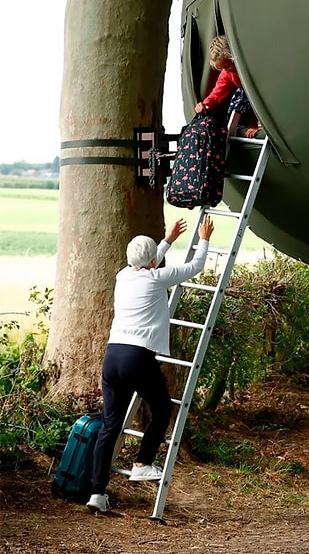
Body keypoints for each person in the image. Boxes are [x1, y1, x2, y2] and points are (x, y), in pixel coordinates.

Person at [86, 215, 214, 513]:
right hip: (138, 357)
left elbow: (149, 260)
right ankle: (143, 462)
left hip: (113, 355)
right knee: (162, 408)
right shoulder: (156, 278)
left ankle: (96, 493)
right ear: (153, 262)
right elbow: (195, 267)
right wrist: (204, 239)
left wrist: (168, 240)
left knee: (110, 426)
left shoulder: (122, 275)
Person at [194, 35, 262, 138]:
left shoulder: (251, 63)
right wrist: (204, 104)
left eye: (227, 65)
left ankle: (260, 127)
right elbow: (217, 94)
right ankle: (246, 128)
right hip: (248, 100)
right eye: (223, 68)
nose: (227, 69)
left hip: (259, 94)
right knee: (239, 101)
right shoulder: (227, 73)